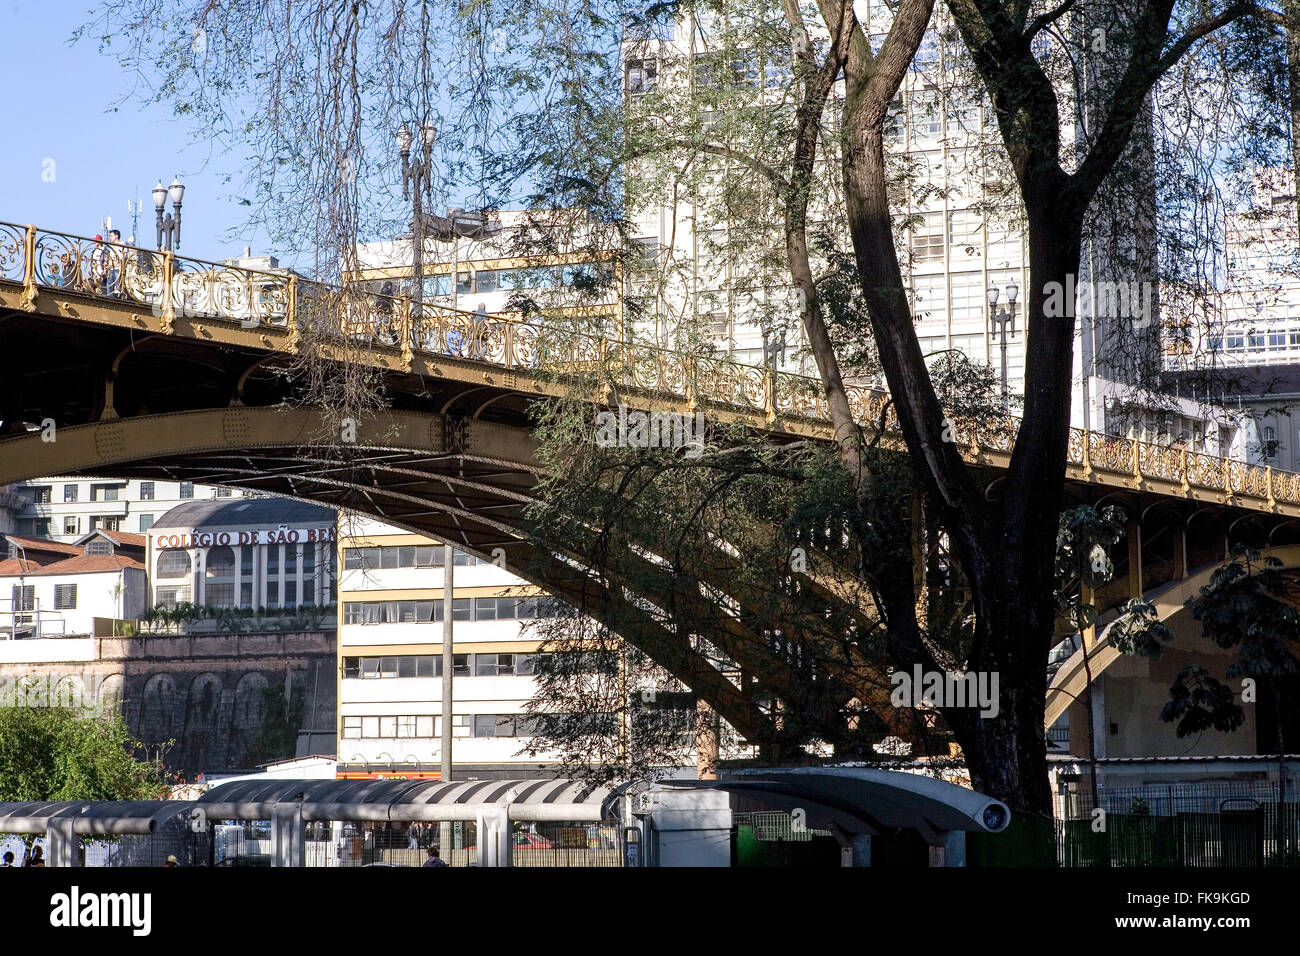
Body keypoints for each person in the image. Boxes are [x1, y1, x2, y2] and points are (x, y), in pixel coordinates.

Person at [106, 229, 124, 297]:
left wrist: (113, 265)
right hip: (111, 269)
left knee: (117, 287)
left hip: (117, 269)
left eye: (111, 236)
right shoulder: (112, 247)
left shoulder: (121, 245)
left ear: (116, 236)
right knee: (109, 287)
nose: (110, 237)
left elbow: (121, 257)